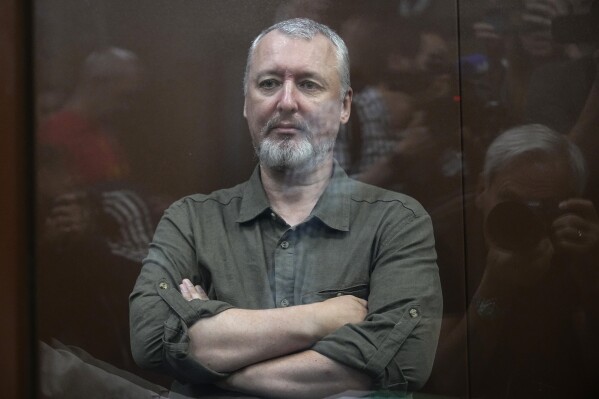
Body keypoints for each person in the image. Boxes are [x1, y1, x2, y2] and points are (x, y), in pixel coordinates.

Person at [130, 18, 442, 398]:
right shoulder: (191, 221)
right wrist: (321, 319)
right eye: (269, 83)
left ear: (344, 106)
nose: (287, 101)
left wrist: (216, 352)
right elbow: (150, 339)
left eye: (309, 84)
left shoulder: (396, 221)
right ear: (246, 103)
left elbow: (404, 360)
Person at [427, 124, 599, 398]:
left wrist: (592, 275)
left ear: (572, 204)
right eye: (511, 202)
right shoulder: (442, 240)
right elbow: (447, 383)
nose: (522, 219)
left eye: (542, 208)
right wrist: (495, 288)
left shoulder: (579, 238)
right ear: (482, 189)